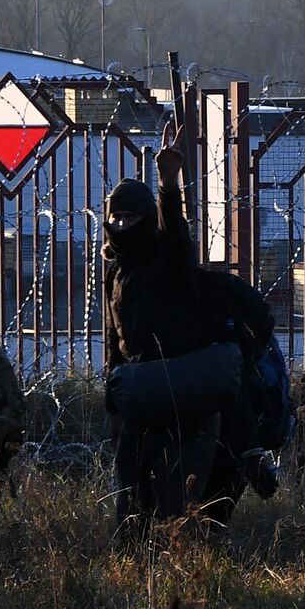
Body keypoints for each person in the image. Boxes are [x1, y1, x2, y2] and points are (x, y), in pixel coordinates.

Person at [103, 122, 237, 538]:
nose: (123, 226)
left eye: (132, 217)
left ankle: (189, 580)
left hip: (185, 400)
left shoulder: (169, 263)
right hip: (142, 399)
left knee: (179, 505)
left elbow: (176, 236)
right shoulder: (116, 272)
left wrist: (167, 183)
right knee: (131, 505)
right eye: (116, 217)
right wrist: (114, 402)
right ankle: (133, 576)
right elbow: (115, 343)